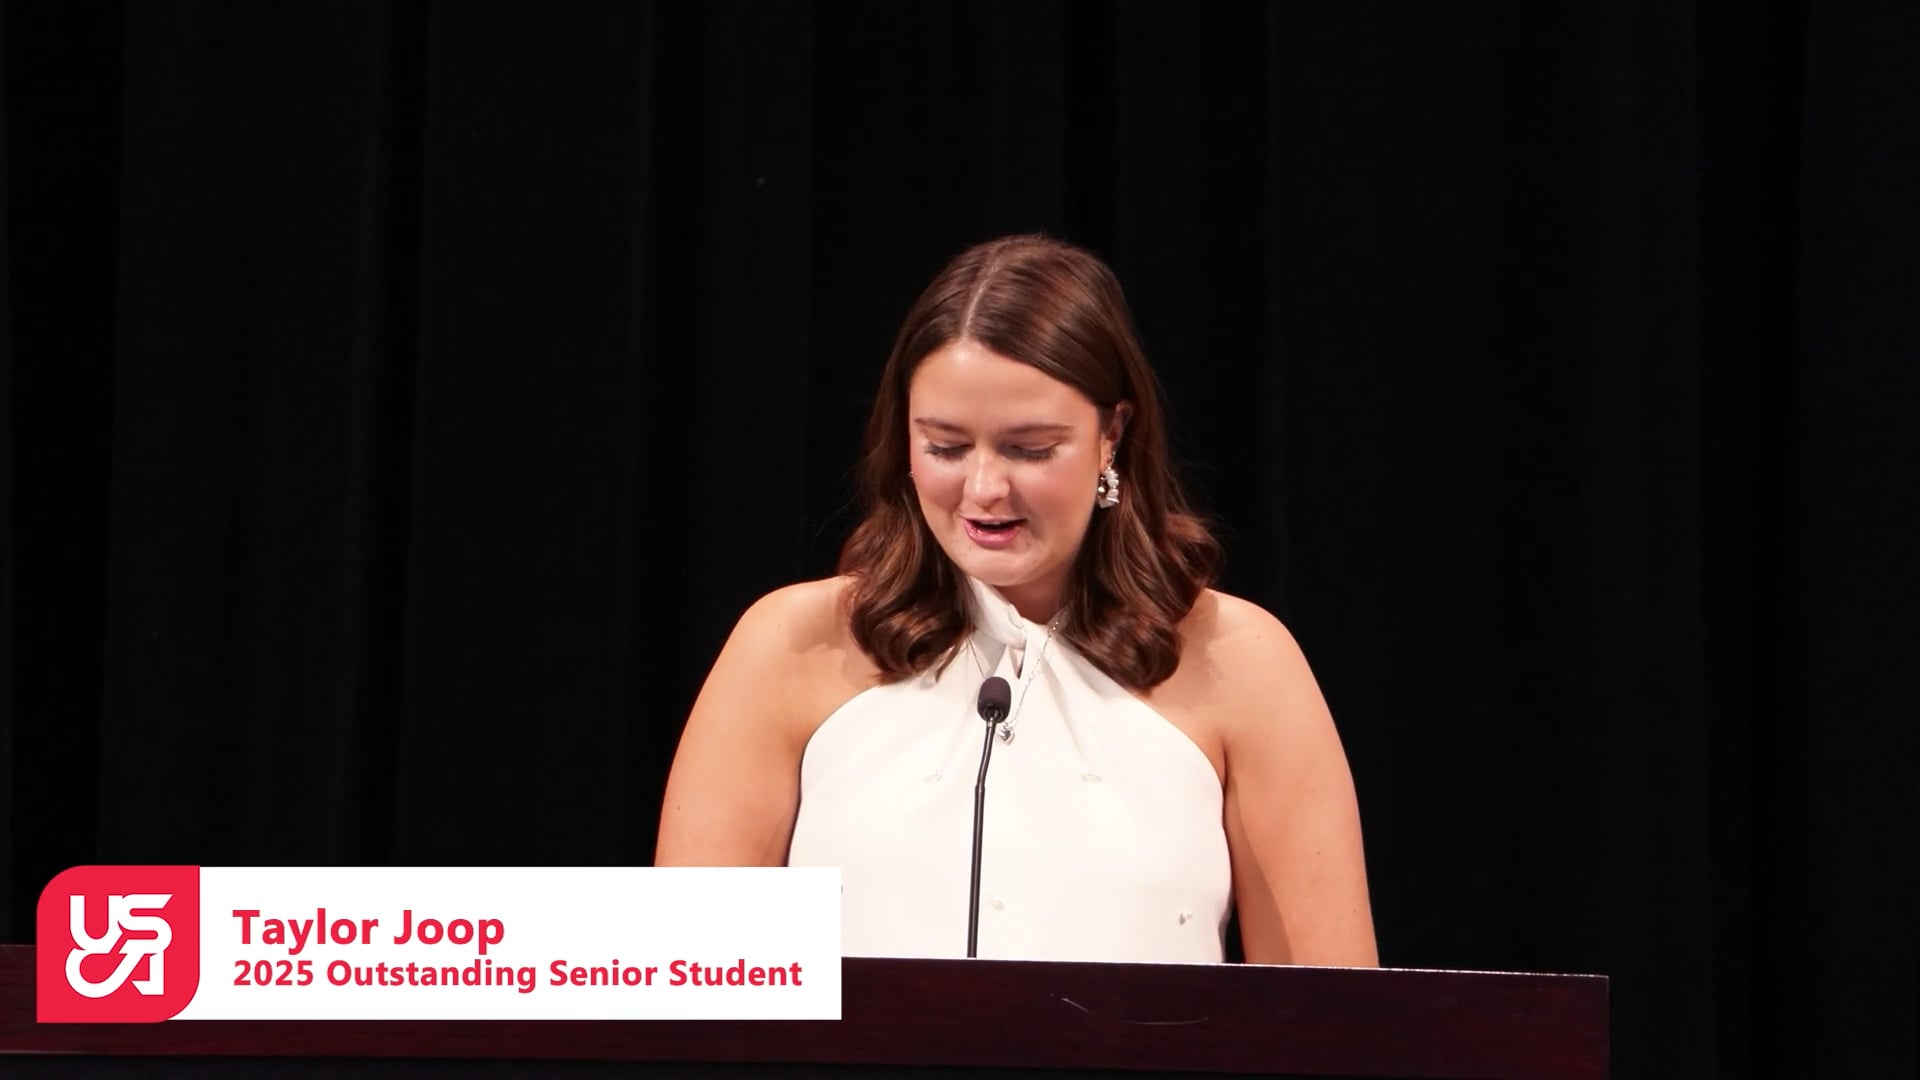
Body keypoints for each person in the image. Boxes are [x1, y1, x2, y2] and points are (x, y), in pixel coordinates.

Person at [655, 234, 1377, 968]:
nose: (983, 489)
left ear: (1112, 435)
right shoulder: (788, 643)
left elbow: (1335, 1015)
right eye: (945, 446)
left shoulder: (1241, 660)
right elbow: (679, 988)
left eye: (1030, 449)